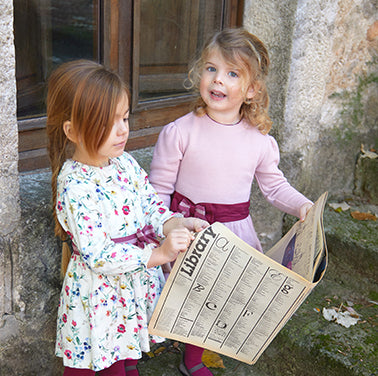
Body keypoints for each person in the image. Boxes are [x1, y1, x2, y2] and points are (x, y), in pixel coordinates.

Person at [149, 28, 314, 376]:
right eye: (211, 69)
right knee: (180, 296)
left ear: (252, 89)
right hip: (188, 229)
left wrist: (301, 206)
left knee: (216, 301)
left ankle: (193, 359)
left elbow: (274, 187)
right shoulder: (180, 132)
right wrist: (163, 228)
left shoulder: (259, 142)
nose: (217, 79)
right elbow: (157, 190)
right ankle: (135, 351)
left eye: (232, 73)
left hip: (233, 233)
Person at [46, 59, 208, 376]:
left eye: (125, 117)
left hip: (128, 284)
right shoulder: (75, 185)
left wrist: (174, 223)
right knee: (92, 360)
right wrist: (158, 254)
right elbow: (99, 253)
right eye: (109, 122)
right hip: (98, 293)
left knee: (120, 352)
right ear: (73, 130)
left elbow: (148, 203)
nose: (123, 130)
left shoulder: (125, 163)